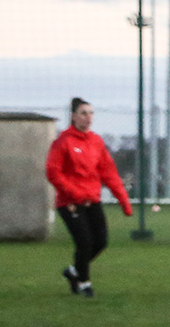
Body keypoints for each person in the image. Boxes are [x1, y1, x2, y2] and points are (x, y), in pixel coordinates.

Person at [44, 97, 131, 297]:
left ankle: (73, 271)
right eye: (83, 113)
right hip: (70, 202)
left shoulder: (96, 142)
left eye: (91, 113)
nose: (88, 117)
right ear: (74, 117)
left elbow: (109, 173)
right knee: (84, 242)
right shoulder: (63, 142)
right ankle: (84, 283)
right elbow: (53, 172)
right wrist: (72, 195)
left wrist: (123, 201)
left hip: (92, 200)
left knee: (100, 241)